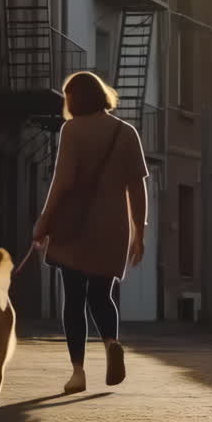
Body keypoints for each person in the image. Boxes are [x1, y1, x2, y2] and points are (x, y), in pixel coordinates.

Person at [32, 71, 150, 394]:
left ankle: (78, 372)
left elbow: (62, 183)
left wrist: (43, 222)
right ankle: (112, 342)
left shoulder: (72, 131)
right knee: (102, 294)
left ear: (75, 99)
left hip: (75, 227)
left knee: (74, 298)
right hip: (113, 228)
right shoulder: (127, 133)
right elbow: (137, 188)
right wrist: (139, 231)